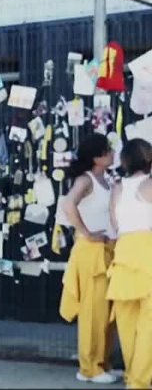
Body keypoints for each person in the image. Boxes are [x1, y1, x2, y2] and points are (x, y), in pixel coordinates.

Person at [59, 133, 118, 384]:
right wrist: (86, 232)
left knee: (107, 312)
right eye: (108, 150)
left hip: (108, 248)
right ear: (97, 157)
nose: (112, 153)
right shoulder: (86, 180)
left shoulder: (108, 180)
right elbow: (68, 204)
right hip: (91, 250)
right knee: (93, 312)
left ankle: (102, 363)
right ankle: (89, 368)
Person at [108, 138, 152, 389]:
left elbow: (115, 224)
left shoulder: (117, 189)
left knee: (127, 324)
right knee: (149, 325)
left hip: (123, 254)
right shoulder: (149, 185)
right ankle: (139, 381)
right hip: (147, 253)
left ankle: (133, 376)